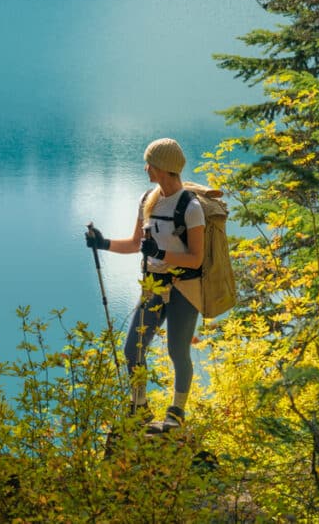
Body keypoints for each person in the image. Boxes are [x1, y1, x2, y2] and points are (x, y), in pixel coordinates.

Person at [85, 137, 205, 431]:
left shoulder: (191, 208)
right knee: (133, 350)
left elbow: (197, 259)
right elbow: (135, 244)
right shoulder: (147, 200)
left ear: (163, 167)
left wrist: (161, 253)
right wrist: (103, 243)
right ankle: (139, 407)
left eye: (149, 163)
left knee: (178, 351)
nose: (145, 168)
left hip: (184, 288)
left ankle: (176, 412)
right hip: (153, 285)